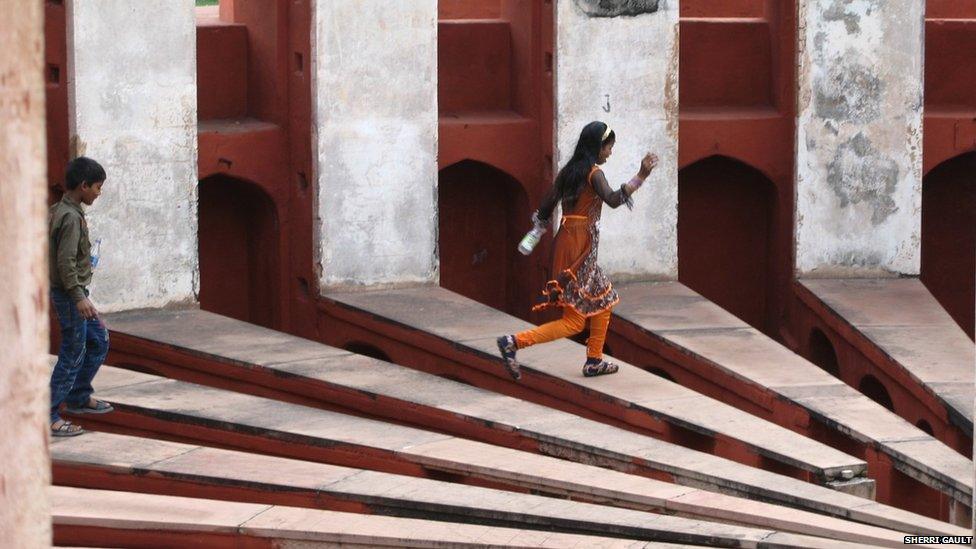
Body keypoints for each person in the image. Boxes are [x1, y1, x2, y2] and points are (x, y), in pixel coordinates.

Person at [497, 121, 657, 380]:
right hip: (580, 247)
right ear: (598, 146)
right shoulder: (594, 174)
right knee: (573, 321)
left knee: (604, 299)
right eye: (608, 148)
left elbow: (546, 207)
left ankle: (594, 360)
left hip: (569, 242)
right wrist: (641, 176)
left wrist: (536, 232)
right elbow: (614, 200)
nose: (609, 153)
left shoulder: (569, 172)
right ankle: (513, 342)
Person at [48, 156, 114, 437]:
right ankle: (49, 414)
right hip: (70, 294)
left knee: (98, 341)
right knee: (73, 352)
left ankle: (78, 395)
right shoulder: (70, 217)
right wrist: (78, 297)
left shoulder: (63, 210)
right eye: (97, 187)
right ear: (84, 186)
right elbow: (64, 263)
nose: (99, 193)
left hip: (74, 292)